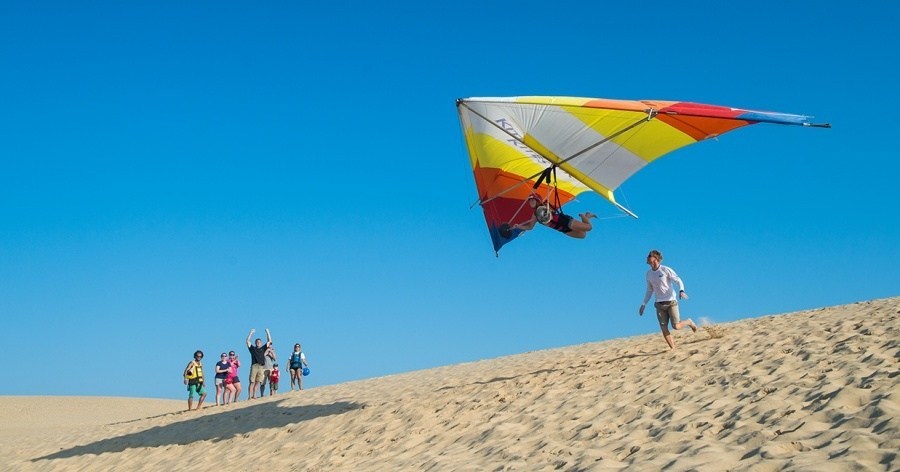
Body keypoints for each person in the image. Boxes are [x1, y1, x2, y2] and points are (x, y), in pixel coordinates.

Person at [639, 249, 698, 349]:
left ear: (655, 258)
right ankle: (673, 349)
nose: (647, 257)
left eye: (649, 256)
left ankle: (689, 322)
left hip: (671, 302)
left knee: (676, 326)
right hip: (659, 304)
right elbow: (649, 290)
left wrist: (681, 290)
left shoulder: (665, 270)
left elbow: (678, 280)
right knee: (663, 328)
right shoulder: (648, 274)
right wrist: (644, 304)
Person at [512, 196, 595, 239]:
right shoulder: (535, 215)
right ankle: (587, 217)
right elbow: (530, 227)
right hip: (563, 229)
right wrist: (518, 226)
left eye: (533, 200)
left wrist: (546, 212)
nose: (531, 202)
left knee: (589, 228)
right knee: (583, 235)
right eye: (529, 201)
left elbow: (550, 214)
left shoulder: (544, 205)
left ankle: (584, 215)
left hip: (566, 221)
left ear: (537, 200)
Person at [246, 328, 272, 400]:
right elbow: (247, 341)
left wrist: (267, 332)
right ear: (255, 343)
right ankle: (249, 396)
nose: (258, 343)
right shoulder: (253, 349)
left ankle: (254, 395)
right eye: (257, 342)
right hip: (254, 366)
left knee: (257, 382)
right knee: (252, 382)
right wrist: (251, 333)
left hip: (261, 366)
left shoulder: (263, 348)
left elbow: (269, 341)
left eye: (259, 342)